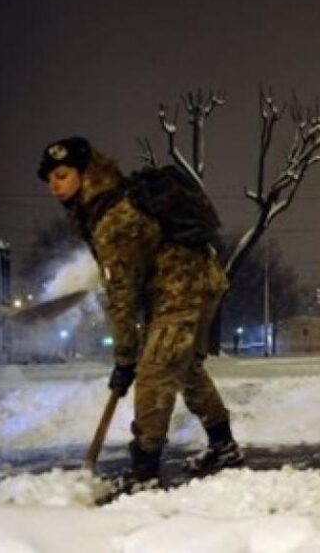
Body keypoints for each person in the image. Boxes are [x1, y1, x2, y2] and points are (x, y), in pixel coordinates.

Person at [38, 136, 243, 488]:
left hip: (184, 288)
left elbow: (122, 295)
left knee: (154, 371)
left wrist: (124, 358)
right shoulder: (101, 207)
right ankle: (223, 446)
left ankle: (145, 470)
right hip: (188, 284)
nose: (53, 186)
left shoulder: (113, 218)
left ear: (85, 173)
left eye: (61, 175)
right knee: (185, 367)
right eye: (49, 180)